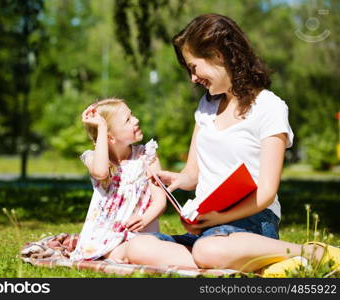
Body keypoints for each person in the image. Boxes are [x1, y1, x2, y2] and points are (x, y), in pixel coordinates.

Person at [125, 13, 340, 276]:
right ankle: (257, 263)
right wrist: (174, 180)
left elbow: (266, 192)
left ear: (217, 55)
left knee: (207, 251)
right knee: (137, 246)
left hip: (252, 224)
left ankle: (310, 252)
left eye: (194, 67)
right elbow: (192, 175)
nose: (193, 78)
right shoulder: (206, 107)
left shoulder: (269, 107)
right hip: (209, 229)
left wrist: (220, 219)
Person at [69, 98, 166, 263]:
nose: (136, 120)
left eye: (132, 115)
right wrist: (101, 127)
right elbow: (100, 173)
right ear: (110, 137)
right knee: (127, 253)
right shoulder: (93, 158)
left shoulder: (147, 156)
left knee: (146, 247)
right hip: (105, 237)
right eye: (128, 120)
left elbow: (160, 200)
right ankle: (113, 254)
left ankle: (126, 254)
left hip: (140, 232)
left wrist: (145, 218)